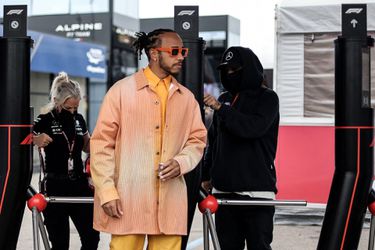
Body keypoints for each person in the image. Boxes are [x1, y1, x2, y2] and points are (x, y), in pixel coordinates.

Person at [90, 28, 207, 250]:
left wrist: (182, 162)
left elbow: (197, 140)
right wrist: (106, 192)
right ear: (154, 54)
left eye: (183, 51)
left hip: (170, 203)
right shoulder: (121, 92)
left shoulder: (187, 99)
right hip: (127, 200)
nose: (181, 56)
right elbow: (101, 144)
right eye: (174, 51)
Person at [202, 46, 280, 250]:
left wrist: (222, 110)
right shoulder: (224, 98)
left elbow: (253, 128)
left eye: (235, 70)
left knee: (259, 246)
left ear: (249, 69)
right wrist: (205, 175)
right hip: (224, 192)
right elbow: (214, 141)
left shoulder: (268, 98)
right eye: (226, 70)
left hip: (257, 192)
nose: (230, 74)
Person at [32, 72, 100, 250]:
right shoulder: (44, 119)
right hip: (55, 186)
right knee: (60, 244)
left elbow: (87, 146)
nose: (72, 112)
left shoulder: (79, 119)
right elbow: (22, 137)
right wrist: (35, 139)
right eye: (68, 108)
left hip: (79, 185)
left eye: (75, 108)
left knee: (92, 238)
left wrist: (106, 142)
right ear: (56, 100)